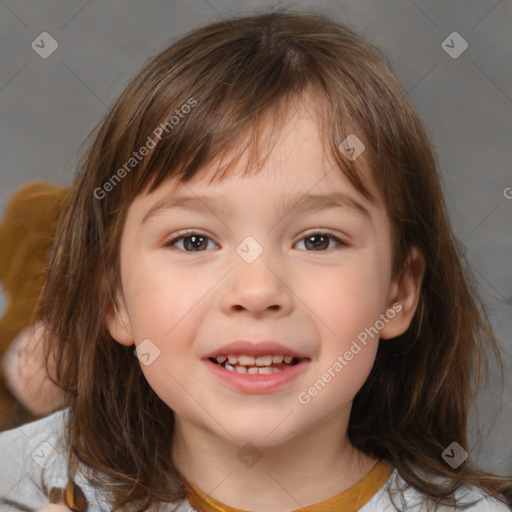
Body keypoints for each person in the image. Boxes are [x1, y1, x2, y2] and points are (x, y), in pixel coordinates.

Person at [0, 8, 510, 512]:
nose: (256, 291)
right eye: (194, 241)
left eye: (318, 241)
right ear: (115, 298)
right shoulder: (20, 485)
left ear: (399, 293)